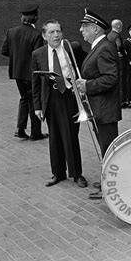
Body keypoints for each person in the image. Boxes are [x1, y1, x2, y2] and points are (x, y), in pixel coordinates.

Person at [32, 19, 87, 188]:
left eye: (58, 31)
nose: (56, 35)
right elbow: (34, 82)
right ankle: (58, 173)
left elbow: (84, 67)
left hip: (69, 96)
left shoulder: (72, 48)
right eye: (51, 32)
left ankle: (77, 174)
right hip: (51, 98)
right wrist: (38, 106)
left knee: (71, 135)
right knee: (54, 136)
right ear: (44, 35)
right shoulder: (38, 54)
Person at [76, 8, 121, 200]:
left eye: (84, 27)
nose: (81, 31)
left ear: (95, 29)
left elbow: (111, 78)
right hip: (100, 108)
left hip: (105, 109)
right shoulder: (99, 46)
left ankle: (111, 187)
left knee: (109, 149)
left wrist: (87, 85)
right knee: (106, 148)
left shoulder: (104, 47)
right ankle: (107, 180)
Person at [1, 4, 48, 140]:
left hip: (17, 72)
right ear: (34, 17)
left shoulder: (12, 31)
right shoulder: (36, 34)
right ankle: (35, 133)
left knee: (24, 99)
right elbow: (38, 56)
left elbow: (4, 51)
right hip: (31, 74)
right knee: (34, 101)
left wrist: (18, 58)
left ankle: (20, 129)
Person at [107, 19, 130, 109]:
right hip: (120, 62)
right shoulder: (117, 36)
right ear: (119, 26)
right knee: (122, 81)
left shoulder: (109, 35)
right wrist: (122, 53)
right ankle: (122, 101)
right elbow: (119, 46)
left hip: (112, 62)